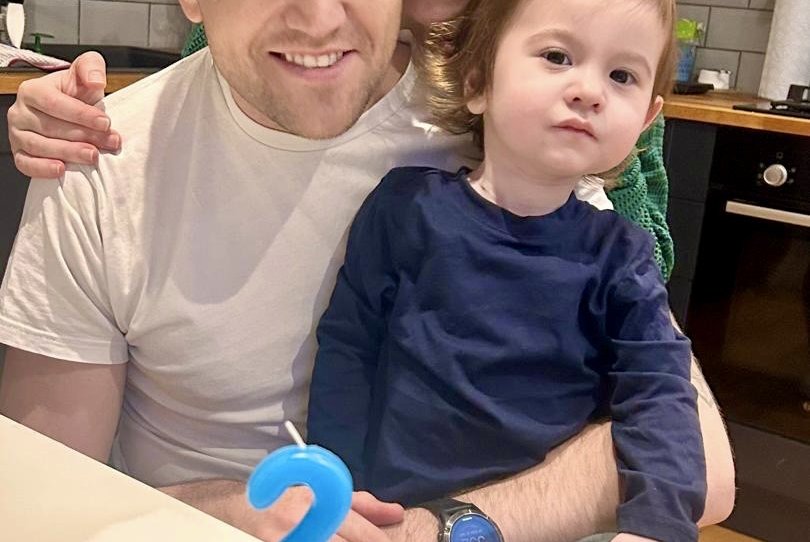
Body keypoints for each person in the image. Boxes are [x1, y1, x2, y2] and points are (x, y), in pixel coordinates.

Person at [0, 1, 734, 541]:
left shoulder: (508, 125)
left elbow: (702, 465)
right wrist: (222, 507)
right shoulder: (98, 159)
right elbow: (43, 498)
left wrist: (446, 529)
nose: (318, 18)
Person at [307, 0, 703, 540]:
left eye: (621, 75)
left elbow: (660, 393)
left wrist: (658, 525)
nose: (590, 90)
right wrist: (340, 488)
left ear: (645, 121)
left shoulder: (622, 258)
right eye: (558, 56)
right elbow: (349, 351)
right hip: (390, 519)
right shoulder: (406, 209)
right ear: (477, 81)